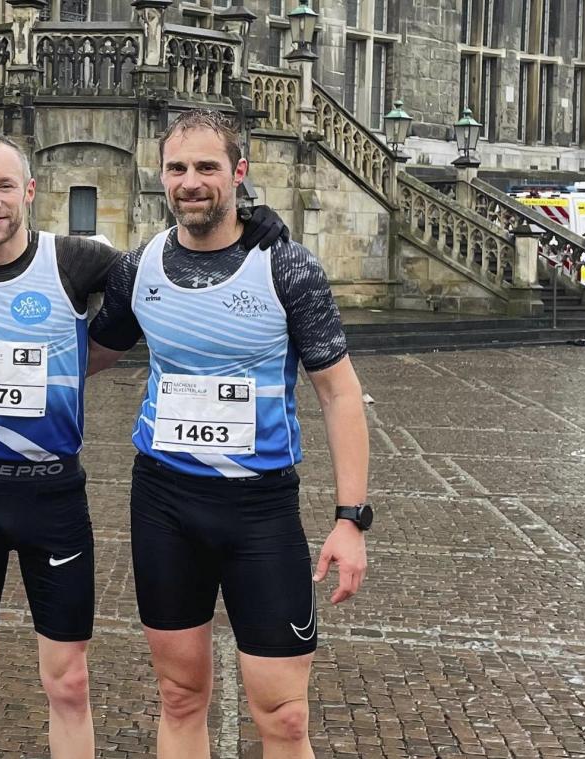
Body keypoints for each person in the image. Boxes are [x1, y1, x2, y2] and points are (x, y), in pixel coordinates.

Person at [85, 108, 370, 759]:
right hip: (162, 502)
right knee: (180, 696)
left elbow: (339, 390)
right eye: (178, 167)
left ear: (238, 173)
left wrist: (350, 518)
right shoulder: (139, 268)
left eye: (207, 166)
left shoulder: (288, 268)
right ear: (161, 176)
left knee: (286, 717)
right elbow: (89, 354)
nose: (191, 181)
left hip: (259, 510)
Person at [0, 133, 124, 759]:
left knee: (67, 681)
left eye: (5, 186)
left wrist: (250, 225)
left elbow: (166, 270)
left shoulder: (75, 260)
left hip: (51, 496)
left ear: (30, 193)